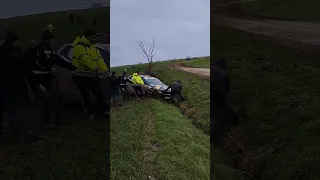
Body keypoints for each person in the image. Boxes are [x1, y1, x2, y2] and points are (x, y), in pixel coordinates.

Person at [72, 29, 109, 119]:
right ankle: (89, 113)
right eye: (93, 37)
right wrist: (96, 68)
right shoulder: (79, 46)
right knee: (85, 95)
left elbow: (99, 59)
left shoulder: (93, 47)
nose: (95, 39)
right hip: (81, 75)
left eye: (95, 37)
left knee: (98, 93)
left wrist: (105, 70)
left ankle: (104, 111)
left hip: (91, 74)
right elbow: (84, 59)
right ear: (87, 37)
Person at [0, 31, 30, 139]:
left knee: (11, 109)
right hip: (13, 84)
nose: (19, 43)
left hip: (7, 85)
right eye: (17, 41)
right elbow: (22, 66)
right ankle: (16, 132)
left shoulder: (4, 51)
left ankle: (15, 131)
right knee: (13, 109)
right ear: (14, 41)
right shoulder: (14, 52)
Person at [30, 30, 62, 126]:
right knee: (47, 99)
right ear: (48, 39)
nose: (53, 41)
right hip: (41, 79)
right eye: (52, 39)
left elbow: (56, 59)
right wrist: (47, 67)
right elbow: (38, 62)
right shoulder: (40, 50)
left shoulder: (49, 49)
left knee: (54, 98)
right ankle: (46, 120)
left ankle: (56, 119)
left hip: (48, 77)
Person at [211, 58, 238, 146]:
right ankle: (235, 119)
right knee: (225, 107)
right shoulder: (224, 73)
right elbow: (227, 88)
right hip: (219, 92)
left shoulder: (211, 68)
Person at [25, 39, 42, 103]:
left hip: (39, 71)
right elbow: (25, 61)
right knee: (33, 86)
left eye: (33, 44)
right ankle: (39, 98)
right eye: (31, 44)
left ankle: (41, 98)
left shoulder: (40, 50)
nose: (32, 45)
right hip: (31, 72)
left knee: (37, 85)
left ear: (37, 43)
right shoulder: (28, 51)